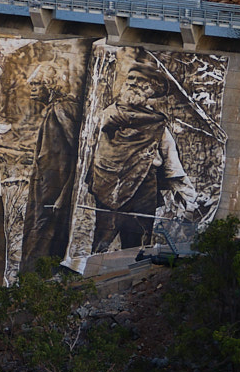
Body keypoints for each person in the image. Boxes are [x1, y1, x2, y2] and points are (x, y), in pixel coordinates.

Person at [86, 57, 203, 253]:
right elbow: (105, 123)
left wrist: (188, 196)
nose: (132, 85)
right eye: (130, 79)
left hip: (143, 188)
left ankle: (131, 277)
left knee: (137, 244)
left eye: (140, 82)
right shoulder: (110, 113)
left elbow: (171, 159)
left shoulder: (157, 124)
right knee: (101, 242)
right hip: (108, 187)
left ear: (151, 90)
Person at [17, 56, 82, 268]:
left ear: (50, 85)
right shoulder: (55, 109)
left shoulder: (61, 109)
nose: (32, 88)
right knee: (40, 234)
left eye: (37, 84)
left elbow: (77, 153)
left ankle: (32, 284)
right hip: (46, 185)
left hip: (55, 189)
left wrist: (64, 194)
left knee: (43, 237)